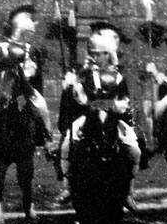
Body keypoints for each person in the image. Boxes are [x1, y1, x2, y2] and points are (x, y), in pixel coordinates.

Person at [60, 27, 141, 211]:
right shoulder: (88, 75)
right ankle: (68, 187)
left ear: (108, 55)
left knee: (135, 150)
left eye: (99, 55)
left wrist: (119, 105)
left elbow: (125, 99)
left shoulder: (118, 77)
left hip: (112, 117)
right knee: (67, 144)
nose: (95, 58)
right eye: (94, 54)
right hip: (90, 114)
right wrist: (73, 87)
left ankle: (128, 192)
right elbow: (79, 96)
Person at [0, 5, 53, 150]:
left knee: (42, 107)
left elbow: (33, 71)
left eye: (31, 33)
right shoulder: (3, 47)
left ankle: (48, 138)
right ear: (20, 30)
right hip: (6, 82)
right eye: (28, 32)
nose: (30, 36)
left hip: (24, 84)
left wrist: (28, 69)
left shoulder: (30, 50)